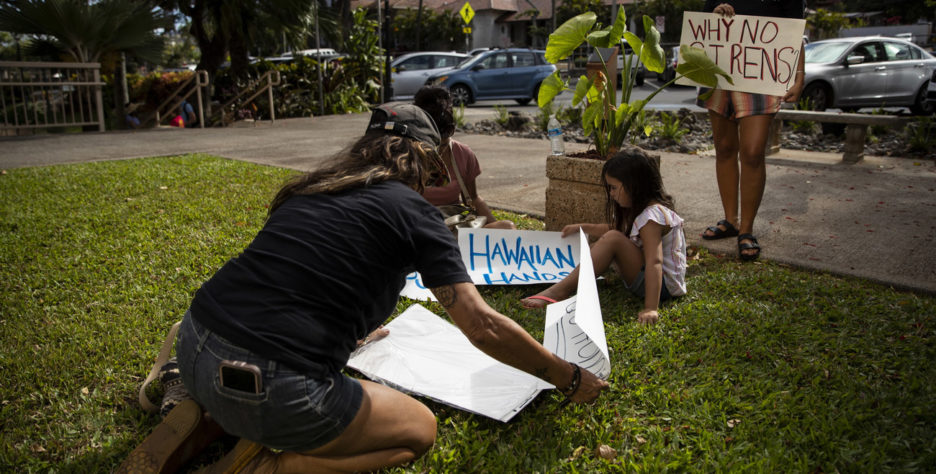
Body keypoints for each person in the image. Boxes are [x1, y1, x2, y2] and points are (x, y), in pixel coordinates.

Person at [153, 103, 606, 473]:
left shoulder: (310, 189)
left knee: (230, 377)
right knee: (418, 429)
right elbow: (483, 326)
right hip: (276, 385)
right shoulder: (416, 215)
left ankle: (207, 411)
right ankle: (269, 467)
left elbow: (296, 277)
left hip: (195, 342)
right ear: (425, 163)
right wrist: (565, 376)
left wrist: (349, 330)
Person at [697, 0, 806, 262]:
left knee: (754, 152)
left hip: (761, 81)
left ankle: (747, 228)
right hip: (720, 79)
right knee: (725, 149)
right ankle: (730, 220)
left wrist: (799, 76)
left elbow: (795, 33)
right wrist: (716, 19)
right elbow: (704, 39)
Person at [520, 146, 686, 325]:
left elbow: (655, 261)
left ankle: (558, 291)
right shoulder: (645, 211)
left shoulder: (653, 217)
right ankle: (570, 282)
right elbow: (617, 228)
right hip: (653, 281)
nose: (611, 194)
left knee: (612, 239)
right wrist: (583, 227)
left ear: (634, 185)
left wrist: (651, 308)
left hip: (662, 288)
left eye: (614, 188)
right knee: (604, 242)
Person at [413, 86, 517, 230]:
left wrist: (496, 230)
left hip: (452, 225)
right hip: (419, 227)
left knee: (507, 227)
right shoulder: (405, 156)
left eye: (444, 143)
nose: (439, 150)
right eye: (433, 144)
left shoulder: (462, 153)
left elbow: (473, 198)